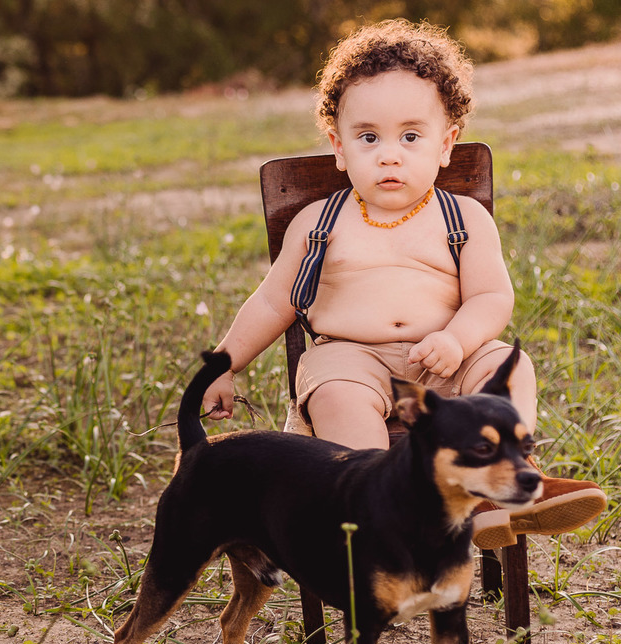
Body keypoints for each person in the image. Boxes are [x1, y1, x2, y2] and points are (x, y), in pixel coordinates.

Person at [202, 19, 605, 549]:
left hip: (446, 361)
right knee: (336, 390)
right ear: (339, 147)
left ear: (446, 144)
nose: (389, 154)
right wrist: (224, 365)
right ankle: (379, 506)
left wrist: (457, 340)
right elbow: (275, 300)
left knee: (507, 365)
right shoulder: (318, 221)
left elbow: (490, 296)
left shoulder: (462, 219)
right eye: (368, 138)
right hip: (351, 357)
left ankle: (506, 480)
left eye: (411, 136)